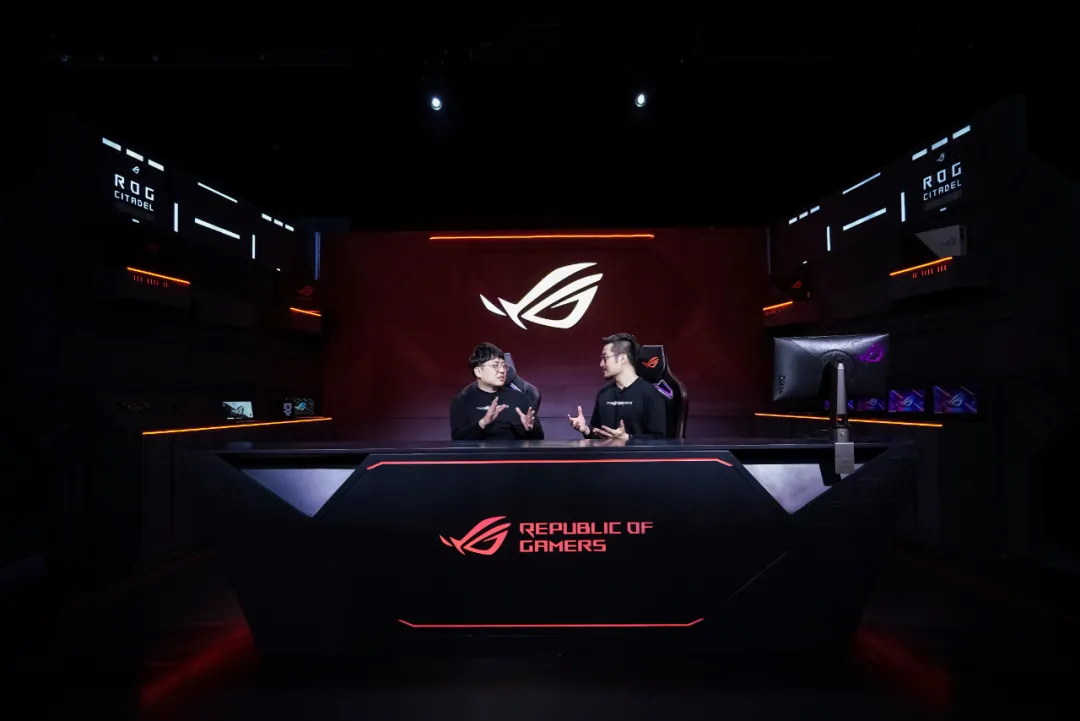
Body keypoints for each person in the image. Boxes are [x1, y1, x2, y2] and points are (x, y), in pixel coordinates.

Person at [568, 332, 666, 440]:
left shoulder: (650, 394)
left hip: (635, 452)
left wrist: (628, 438)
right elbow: (597, 435)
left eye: (605, 358)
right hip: (606, 451)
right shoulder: (604, 393)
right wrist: (586, 430)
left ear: (622, 358)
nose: (601, 364)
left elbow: (659, 439)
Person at [450, 342, 543, 440]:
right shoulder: (462, 401)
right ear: (478, 372)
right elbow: (458, 439)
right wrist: (482, 424)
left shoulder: (520, 398)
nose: (502, 370)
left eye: (504, 365)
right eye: (495, 365)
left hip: (513, 450)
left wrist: (530, 430)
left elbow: (539, 438)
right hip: (479, 450)